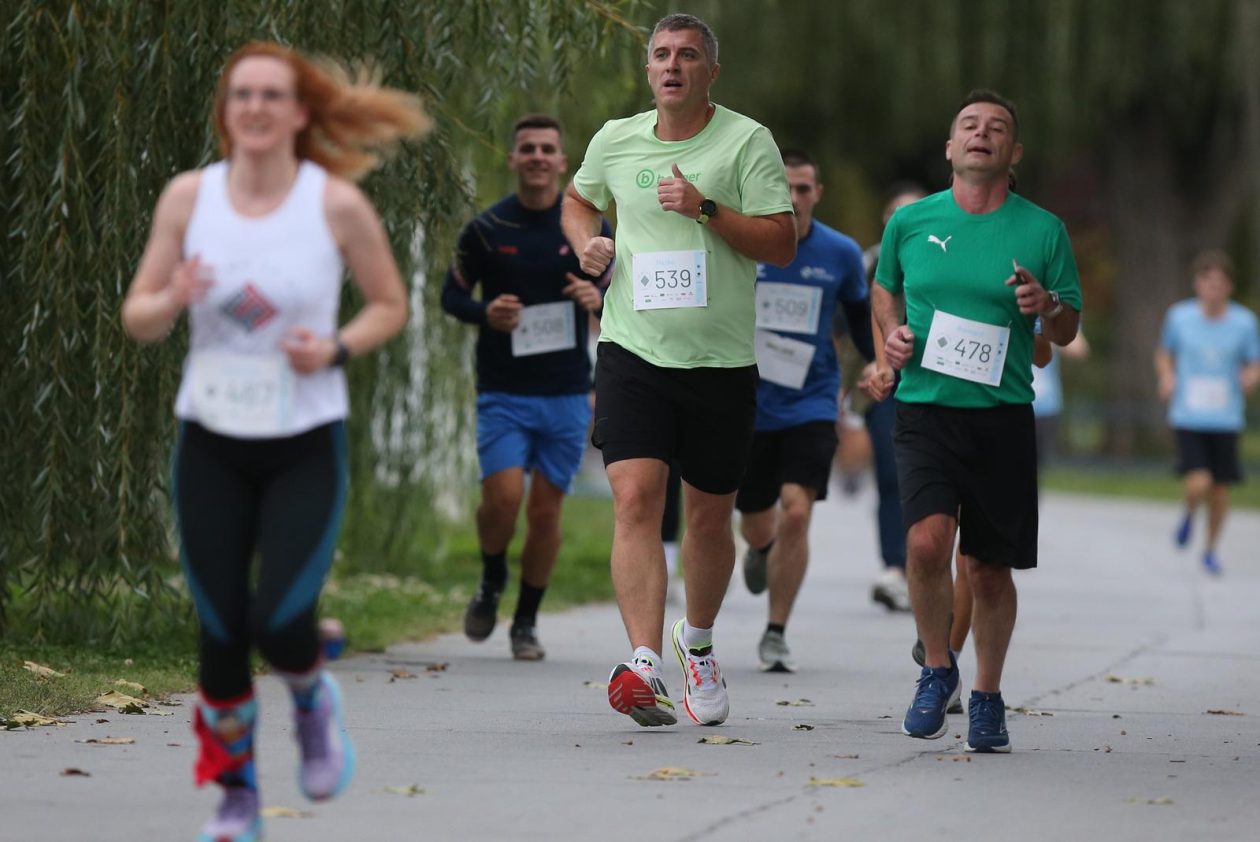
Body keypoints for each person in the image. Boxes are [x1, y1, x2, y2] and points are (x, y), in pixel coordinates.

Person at [121, 41, 428, 841]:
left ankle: (312, 701)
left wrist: (334, 349)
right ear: (226, 113)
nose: (254, 108)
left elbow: (389, 304)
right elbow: (139, 317)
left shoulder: (334, 205)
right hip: (212, 438)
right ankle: (235, 797)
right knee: (220, 632)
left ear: (298, 113)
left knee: (282, 620)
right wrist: (173, 296)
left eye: (271, 95)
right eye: (240, 95)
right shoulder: (190, 198)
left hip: (303, 440)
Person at [561, 13, 794, 727]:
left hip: (720, 360)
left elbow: (780, 241)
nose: (672, 66)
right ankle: (644, 663)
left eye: (687, 55)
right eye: (661, 54)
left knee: (708, 515)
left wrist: (705, 207)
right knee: (634, 498)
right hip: (632, 349)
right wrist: (588, 245)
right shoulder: (615, 138)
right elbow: (579, 200)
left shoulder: (745, 140)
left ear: (709, 72)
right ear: (649, 69)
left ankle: (695, 643)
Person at [868, 89, 1082, 753]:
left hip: (1001, 416)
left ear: (1013, 152)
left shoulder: (1042, 230)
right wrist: (891, 341)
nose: (982, 134)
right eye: (969, 125)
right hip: (926, 409)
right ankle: (938, 669)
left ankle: (987, 693)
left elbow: (1068, 327)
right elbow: (884, 288)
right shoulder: (912, 223)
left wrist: (1045, 303)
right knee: (927, 545)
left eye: (997, 129)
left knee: (989, 570)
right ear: (950, 147)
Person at [441, 114, 611, 660]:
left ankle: (526, 622)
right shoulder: (487, 230)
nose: (538, 157)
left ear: (563, 162)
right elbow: (451, 296)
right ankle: (492, 579)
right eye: (527, 149)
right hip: (504, 393)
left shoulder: (589, 227)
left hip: (564, 393)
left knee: (544, 513)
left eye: (548, 149)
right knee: (502, 499)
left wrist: (599, 302)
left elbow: (630, 296)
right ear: (513, 159)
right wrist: (485, 310)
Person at [737, 148, 872, 672]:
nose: (793, 199)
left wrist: (879, 363)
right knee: (755, 521)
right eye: (783, 189)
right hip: (747, 401)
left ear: (817, 193)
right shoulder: (745, 241)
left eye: (803, 189)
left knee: (797, 509)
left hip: (812, 399)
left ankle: (775, 631)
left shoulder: (839, 253)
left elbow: (860, 317)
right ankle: (759, 547)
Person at [1155, 250, 1260, 574]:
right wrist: (1167, 376)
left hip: (1225, 415)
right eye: (1207, 282)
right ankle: (1189, 511)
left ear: (1229, 286)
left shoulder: (1244, 322)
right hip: (1189, 413)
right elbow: (1164, 352)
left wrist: (1250, 377)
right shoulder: (1179, 317)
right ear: (1197, 284)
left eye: (1220, 283)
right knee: (1199, 482)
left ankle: (1211, 549)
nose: (1213, 289)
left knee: (1220, 488)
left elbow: (1254, 360)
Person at [859, 183, 927, 612]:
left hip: (937, 379)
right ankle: (895, 568)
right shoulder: (867, 262)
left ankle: (930, 569)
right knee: (890, 473)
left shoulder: (945, 255)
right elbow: (847, 321)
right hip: (883, 380)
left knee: (928, 478)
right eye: (895, 214)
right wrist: (868, 365)